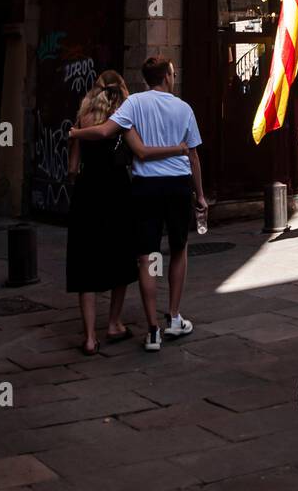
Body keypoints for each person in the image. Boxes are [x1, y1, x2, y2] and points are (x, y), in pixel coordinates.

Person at [70, 54, 207, 352]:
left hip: (145, 187)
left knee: (147, 257)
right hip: (177, 187)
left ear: (146, 79)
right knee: (179, 249)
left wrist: (76, 132)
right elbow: (193, 156)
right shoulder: (184, 108)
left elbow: (106, 131)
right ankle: (173, 316)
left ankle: (152, 330)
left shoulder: (134, 104)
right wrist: (200, 196)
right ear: (168, 76)